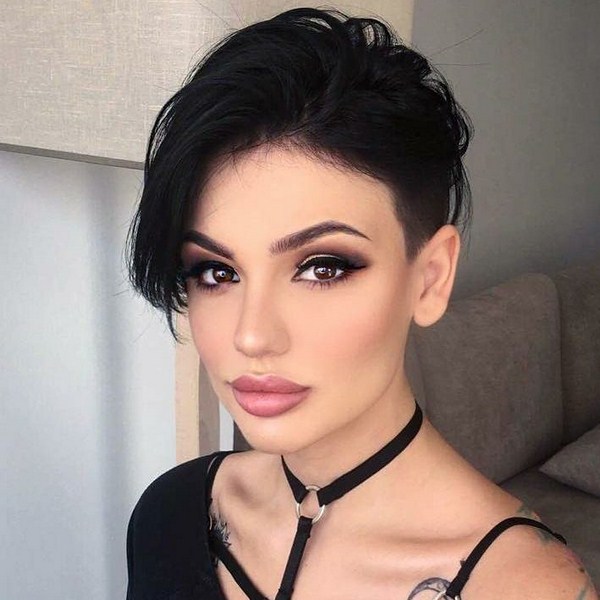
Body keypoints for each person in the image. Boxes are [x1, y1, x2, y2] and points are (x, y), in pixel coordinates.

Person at [124, 6, 598, 600]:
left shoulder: (522, 588)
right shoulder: (171, 514)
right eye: (216, 272)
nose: (252, 335)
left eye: (322, 268)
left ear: (430, 278)